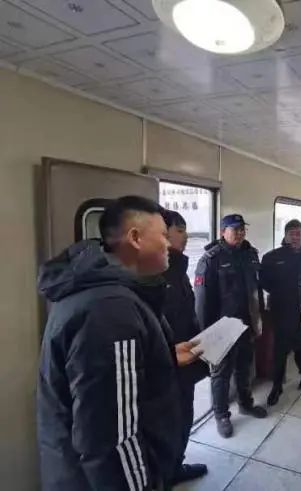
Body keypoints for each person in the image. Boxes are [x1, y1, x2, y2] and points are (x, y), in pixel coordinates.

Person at [37, 196, 202, 491]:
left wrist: (165, 354)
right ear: (135, 238)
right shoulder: (110, 309)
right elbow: (112, 439)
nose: (169, 244)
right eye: (163, 235)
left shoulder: (109, 293)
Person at [194, 214, 267, 438]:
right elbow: (202, 301)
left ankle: (245, 403)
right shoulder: (211, 259)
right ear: (222, 232)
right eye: (235, 229)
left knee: (245, 366)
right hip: (222, 327)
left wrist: (259, 319)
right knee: (221, 373)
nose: (240, 233)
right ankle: (221, 415)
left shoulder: (250, 254)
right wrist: (207, 335)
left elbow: (256, 290)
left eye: (242, 229)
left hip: (246, 323)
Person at [161, 210, 209, 485]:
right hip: (166, 365)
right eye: (179, 230)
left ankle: (175, 467)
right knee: (169, 422)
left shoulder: (178, 270)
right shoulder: (154, 273)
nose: (186, 235)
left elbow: (186, 313)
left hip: (185, 359)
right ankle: (164, 474)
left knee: (184, 417)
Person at [260, 219, 301, 406]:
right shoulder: (272, 257)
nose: (295, 237)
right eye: (292, 234)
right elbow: (264, 282)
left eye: (298, 234)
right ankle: (277, 386)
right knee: (280, 350)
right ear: (285, 236)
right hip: (282, 310)